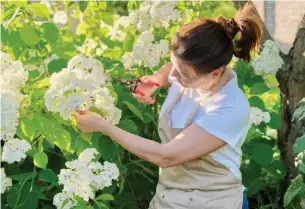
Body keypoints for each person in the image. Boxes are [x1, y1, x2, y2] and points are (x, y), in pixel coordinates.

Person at [74, 3, 262, 209]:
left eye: (184, 74)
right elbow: (175, 66)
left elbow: (166, 156)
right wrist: (155, 81)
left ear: (215, 73)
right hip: (172, 197)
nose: (175, 76)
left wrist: (104, 126)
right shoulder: (191, 72)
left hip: (213, 201)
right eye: (175, 65)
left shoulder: (229, 107)